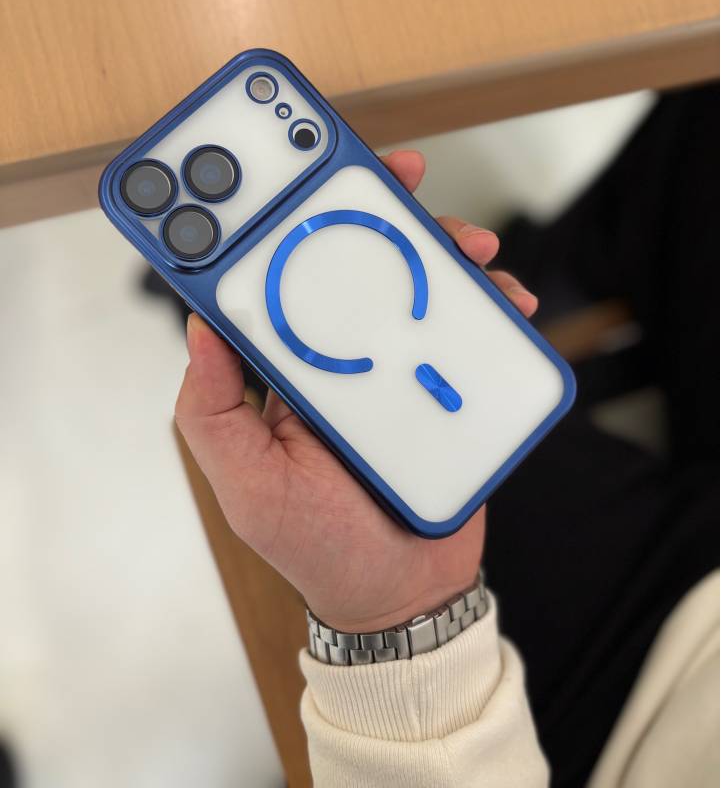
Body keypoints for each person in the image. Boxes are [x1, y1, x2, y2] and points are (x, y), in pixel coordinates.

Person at [174, 87, 719, 787]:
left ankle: (216, 314)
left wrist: (396, 622)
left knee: (350, 401)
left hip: (626, 690)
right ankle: (566, 261)